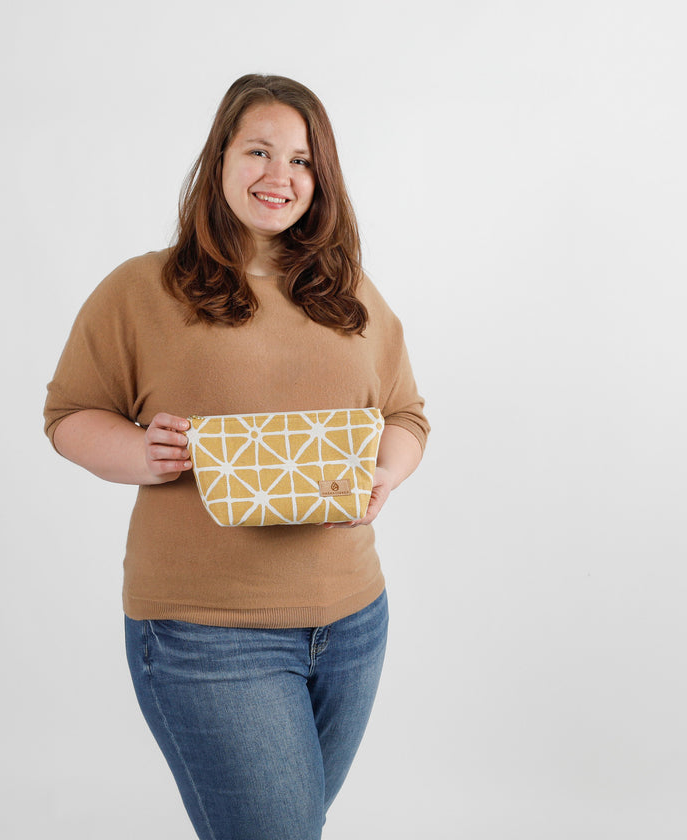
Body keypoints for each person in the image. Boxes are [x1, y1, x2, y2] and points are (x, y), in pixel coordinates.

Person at [44, 73, 429, 840]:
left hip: (353, 624)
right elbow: (68, 415)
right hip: (209, 634)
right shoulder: (143, 290)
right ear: (219, 157)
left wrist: (388, 470)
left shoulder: (347, 290)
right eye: (258, 151)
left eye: (301, 160)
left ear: (321, 179)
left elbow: (405, 415)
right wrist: (142, 452)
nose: (279, 175)